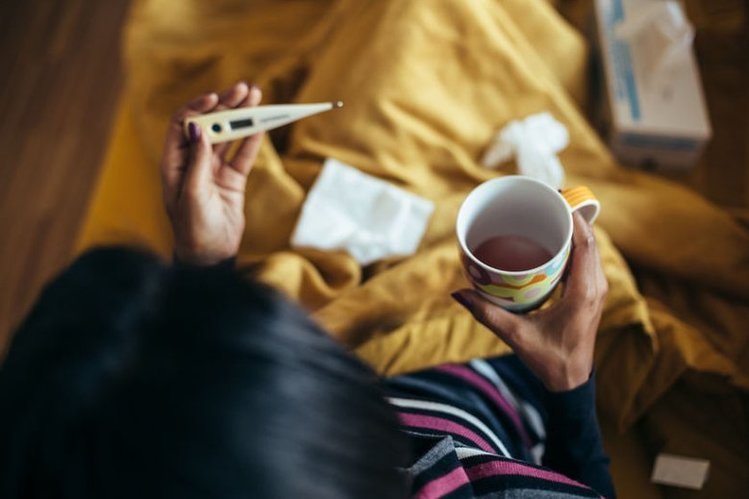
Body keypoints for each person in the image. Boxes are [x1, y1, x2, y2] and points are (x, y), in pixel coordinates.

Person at [0, 82, 614, 498]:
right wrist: (569, 385)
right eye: (333, 388)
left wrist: (204, 267)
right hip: (523, 407)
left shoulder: (152, 446)